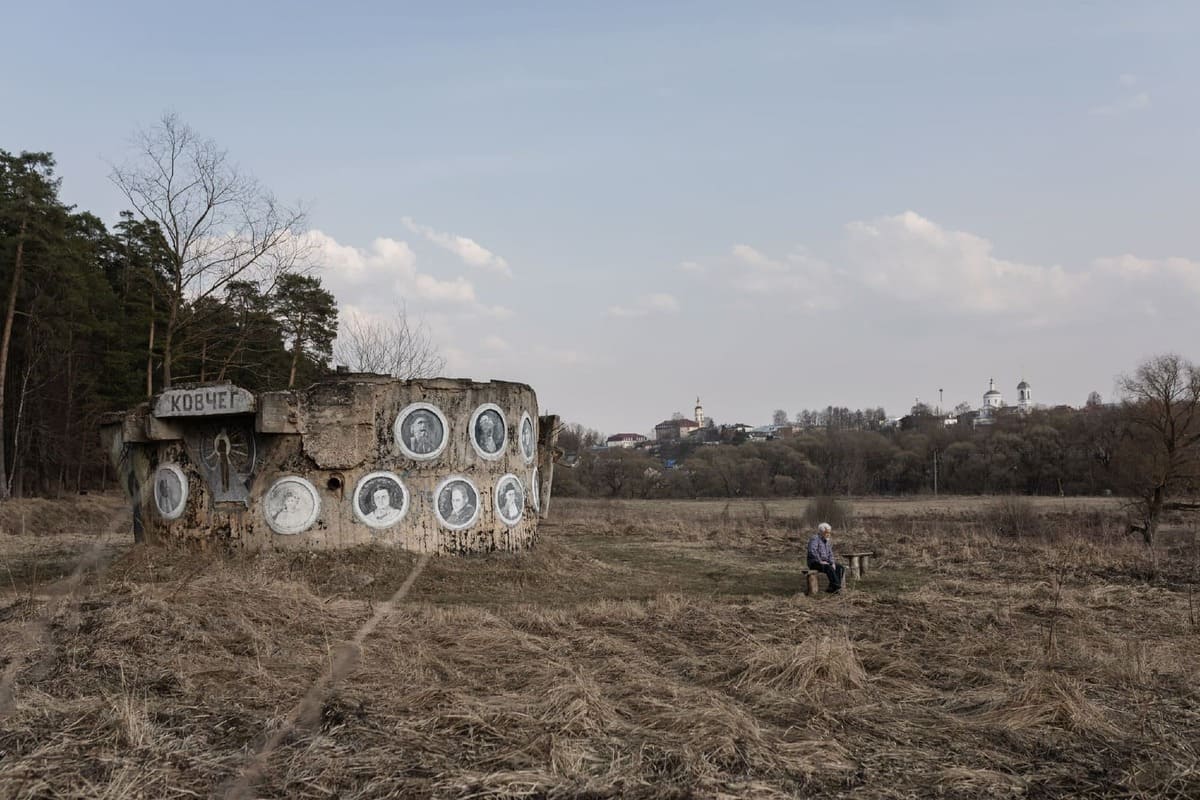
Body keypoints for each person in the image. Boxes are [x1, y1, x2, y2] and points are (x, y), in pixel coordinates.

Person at [806, 522, 845, 594]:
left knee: (840, 568)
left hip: (825, 562)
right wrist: (820, 561)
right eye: (826, 532)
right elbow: (812, 551)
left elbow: (830, 554)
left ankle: (832, 588)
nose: (828, 534)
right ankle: (836, 586)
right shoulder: (815, 538)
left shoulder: (827, 541)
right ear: (821, 532)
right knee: (828, 567)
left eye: (829, 532)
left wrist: (832, 562)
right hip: (814, 562)